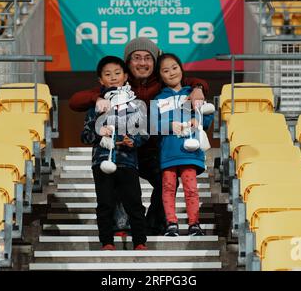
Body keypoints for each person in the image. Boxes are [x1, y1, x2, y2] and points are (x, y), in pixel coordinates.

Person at [70, 37, 210, 235]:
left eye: (147, 58)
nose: (142, 63)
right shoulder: (117, 86)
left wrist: (198, 89)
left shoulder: (163, 81)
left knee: (166, 181)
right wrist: (98, 97)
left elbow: (194, 81)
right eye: (136, 58)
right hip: (125, 151)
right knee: (117, 179)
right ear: (127, 63)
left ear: (155, 63)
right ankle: (121, 223)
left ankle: (152, 225)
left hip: (154, 152)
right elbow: (75, 102)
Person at [81, 55, 148, 250]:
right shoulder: (96, 106)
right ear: (101, 80)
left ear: (125, 76)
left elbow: (143, 133)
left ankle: (140, 242)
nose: (113, 77)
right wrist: (97, 131)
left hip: (128, 162)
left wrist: (132, 140)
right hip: (102, 162)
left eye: (117, 73)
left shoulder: (135, 105)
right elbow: (84, 135)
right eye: (107, 74)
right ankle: (107, 242)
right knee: (105, 204)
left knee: (134, 203)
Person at [152, 53, 213, 236]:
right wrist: (169, 125)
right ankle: (171, 223)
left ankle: (194, 224)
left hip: (190, 152)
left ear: (181, 69)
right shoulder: (158, 99)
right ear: (160, 76)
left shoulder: (193, 92)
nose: (171, 73)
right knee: (168, 188)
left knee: (191, 188)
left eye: (174, 68)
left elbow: (208, 116)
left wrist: (197, 119)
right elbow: (153, 125)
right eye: (165, 70)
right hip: (168, 153)